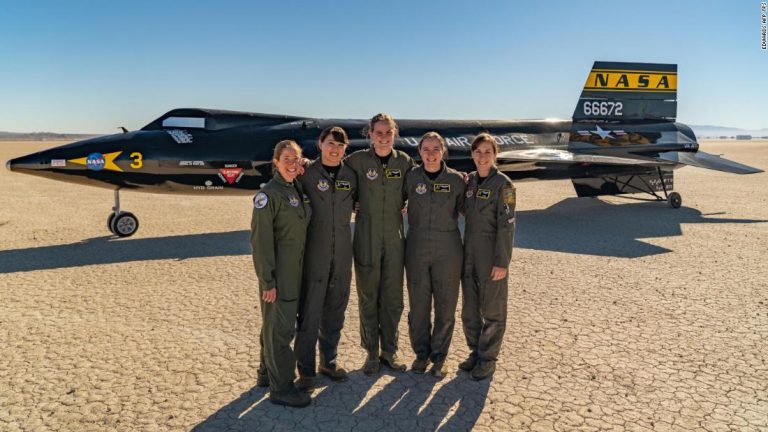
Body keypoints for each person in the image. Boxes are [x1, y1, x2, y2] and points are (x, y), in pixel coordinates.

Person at [345, 113, 415, 375]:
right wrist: (350, 202)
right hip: (366, 239)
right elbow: (335, 181)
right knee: (368, 297)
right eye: (379, 133)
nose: (384, 137)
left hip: (395, 241)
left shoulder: (405, 162)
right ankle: (371, 353)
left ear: (394, 134)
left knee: (393, 298)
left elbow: (419, 187)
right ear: (370, 134)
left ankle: (390, 351)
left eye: (388, 133)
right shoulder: (356, 161)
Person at [294, 126, 357, 391]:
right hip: (314, 251)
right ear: (320, 143)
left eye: (340, 146)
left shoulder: (351, 175)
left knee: (335, 309)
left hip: (342, 251)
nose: (335, 150)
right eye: (330, 143)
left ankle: (328, 361)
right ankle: (306, 369)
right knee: (310, 311)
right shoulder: (305, 173)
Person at [250, 140, 313, 407]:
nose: (291, 163)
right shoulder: (269, 195)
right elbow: (260, 243)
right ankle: (282, 387)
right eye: (286, 159)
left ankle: (266, 374)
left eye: (296, 159)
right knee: (280, 332)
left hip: (294, 272)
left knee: (273, 325)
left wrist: (303, 170)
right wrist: (268, 281)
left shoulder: (294, 187)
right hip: (279, 277)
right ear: (275, 162)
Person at [404, 132, 466, 378]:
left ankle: (439, 356)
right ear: (419, 152)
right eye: (426, 149)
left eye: (435, 149)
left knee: (446, 304)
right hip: (417, 246)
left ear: (443, 152)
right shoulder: (410, 178)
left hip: (448, 248)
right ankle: (421, 354)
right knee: (418, 305)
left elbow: (468, 209)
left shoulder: (457, 180)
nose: (430, 154)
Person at [459, 132, 516, 381]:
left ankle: (488, 359)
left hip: (491, 256)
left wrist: (502, 262)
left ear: (495, 155)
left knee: (493, 310)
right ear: (472, 154)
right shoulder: (469, 182)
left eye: (488, 152)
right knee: (470, 310)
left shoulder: (504, 185)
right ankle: (475, 352)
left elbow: (508, 225)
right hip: (469, 254)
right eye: (478, 152)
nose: (482, 157)